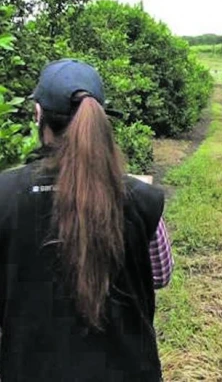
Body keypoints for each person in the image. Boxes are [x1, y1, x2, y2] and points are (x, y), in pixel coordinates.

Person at [0, 59, 174, 381]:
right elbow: (160, 275)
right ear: (100, 118)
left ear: (38, 115)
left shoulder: (4, 194)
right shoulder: (140, 197)